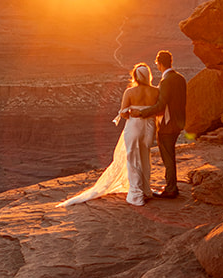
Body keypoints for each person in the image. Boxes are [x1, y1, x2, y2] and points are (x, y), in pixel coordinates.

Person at [61, 63, 160, 207]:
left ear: (135, 77)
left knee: (132, 158)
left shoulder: (130, 92)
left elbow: (124, 113)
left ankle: (136, 194)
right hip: (150, 129)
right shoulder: (156, 91)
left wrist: (133, 113)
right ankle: (146, 190)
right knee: (145, 157)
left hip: (134, 126)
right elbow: (158, 110)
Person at [125, 50, 186, 198]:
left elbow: (160, 106)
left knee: (168, 157)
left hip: (167, 124)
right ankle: (172, 186)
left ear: (159, 64)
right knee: (170, 155)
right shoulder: (180, 78)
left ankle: (171, 189)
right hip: (179, 122)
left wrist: (141, 113)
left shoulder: (166, 81)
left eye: (157, 64)